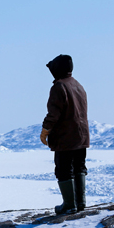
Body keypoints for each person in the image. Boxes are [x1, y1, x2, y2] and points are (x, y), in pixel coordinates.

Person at [40, 54, 89, 215]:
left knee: (64, 169)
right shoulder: (78, 85)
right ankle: (80, 202)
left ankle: (69, 205)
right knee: (79, 167)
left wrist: (46, 130)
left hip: (65, 137)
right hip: (81, 135)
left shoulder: (59, 87)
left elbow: (54, 113)